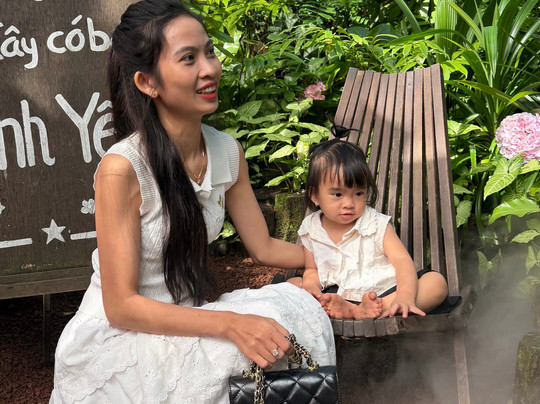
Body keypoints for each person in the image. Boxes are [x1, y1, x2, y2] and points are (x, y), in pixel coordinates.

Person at [49, 1, 335, 402]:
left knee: (290, 314)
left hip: (193, 314)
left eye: (210, 52)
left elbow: (263, 247)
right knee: (243, 344)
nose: (210, 68)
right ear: (147, 82)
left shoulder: (227, 151)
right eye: (188, 58)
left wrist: (328, 258)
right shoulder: (122, 169)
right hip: (125, 336)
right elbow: (122, 307)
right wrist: (232, 323)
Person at [290, 138, 450, 320]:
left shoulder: (376, 224)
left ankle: (366, 310)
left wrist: (405, 295)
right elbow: (312, 269)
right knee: (292, 284)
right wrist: (310, 285)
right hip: (337, 296)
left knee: (436, 284)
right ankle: (352, 310)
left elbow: (402, 261)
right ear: (314, 195)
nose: (349, 203)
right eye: (337, 194)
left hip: (383, 293)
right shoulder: (311, 228)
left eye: (358, 193)